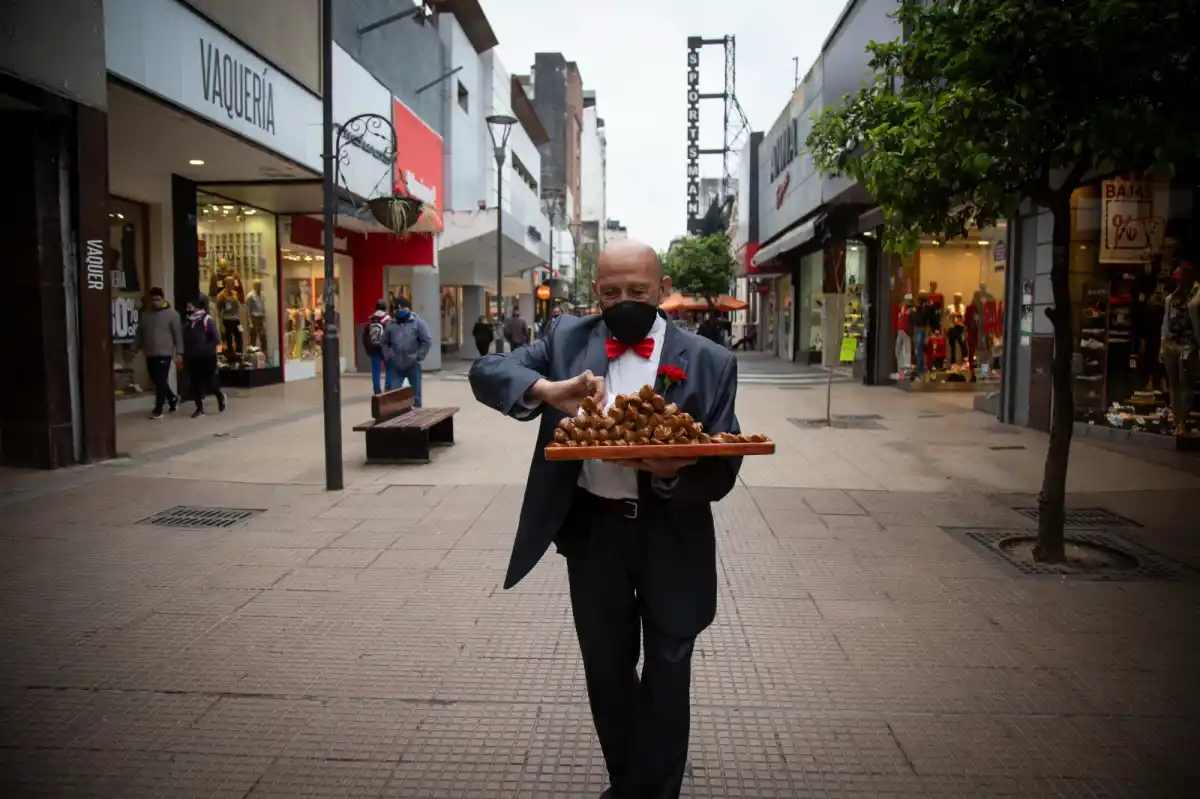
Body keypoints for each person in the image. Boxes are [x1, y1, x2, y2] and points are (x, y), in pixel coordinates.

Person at [469, 239, 742, 799]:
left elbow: (724, 468)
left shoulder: (712, 361)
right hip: (595, 533)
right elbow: (487, 370)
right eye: (612, 291)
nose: (625, 300)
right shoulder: (567, 340)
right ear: (596, 292)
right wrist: (546, 390)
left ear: (661, 290)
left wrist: (672, 470)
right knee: (608, 670)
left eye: (638, 291)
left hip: (673, 533)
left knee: (669, 666)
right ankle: (629, 783)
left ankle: (651, 792)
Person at [136, 286, 183, 419]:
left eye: (157, 298)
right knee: (155, 379)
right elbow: (140, 332)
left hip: (164, 352)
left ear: (162, 298)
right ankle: (172, 398)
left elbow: (178, 335)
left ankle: (158, 409)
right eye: (153, 298)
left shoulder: (172, 314)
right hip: (150, 352)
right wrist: (134, 347)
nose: (155, 301)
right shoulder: (146, 314)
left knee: (161, 379)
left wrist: (179, 352)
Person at [382, 296, 432, 407]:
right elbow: (384, 342)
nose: (400, 311)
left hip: (413, 363)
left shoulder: (418, 323)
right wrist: (388, 355)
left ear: (408, 308)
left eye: (403, 308)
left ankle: (417, 415)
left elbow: (426, 340)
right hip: (396, 364)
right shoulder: (391, 325)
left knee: (416, 395)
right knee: (394, 394)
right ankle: (396, 416)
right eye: (398, 309)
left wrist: (419, 356)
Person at [182, 293, 226, 418]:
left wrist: (206, 349)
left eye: (191, 307)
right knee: (194, 383)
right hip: (193, 357)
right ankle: (199, 408)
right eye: (187, 307)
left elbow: (216, 340)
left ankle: (219, 395)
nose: (188, 310)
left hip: (207, 357)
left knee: (209, 382)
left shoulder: (207, 320)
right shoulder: (188, 323)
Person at [362, 300, 393, 394]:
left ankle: (376, 389)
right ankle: (388, 386)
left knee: (376, 370)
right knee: (389, 367)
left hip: (374, 348)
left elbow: (365, 336)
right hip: (386, 348)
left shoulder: (371, 319)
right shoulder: (388, 319)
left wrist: (368, 349)